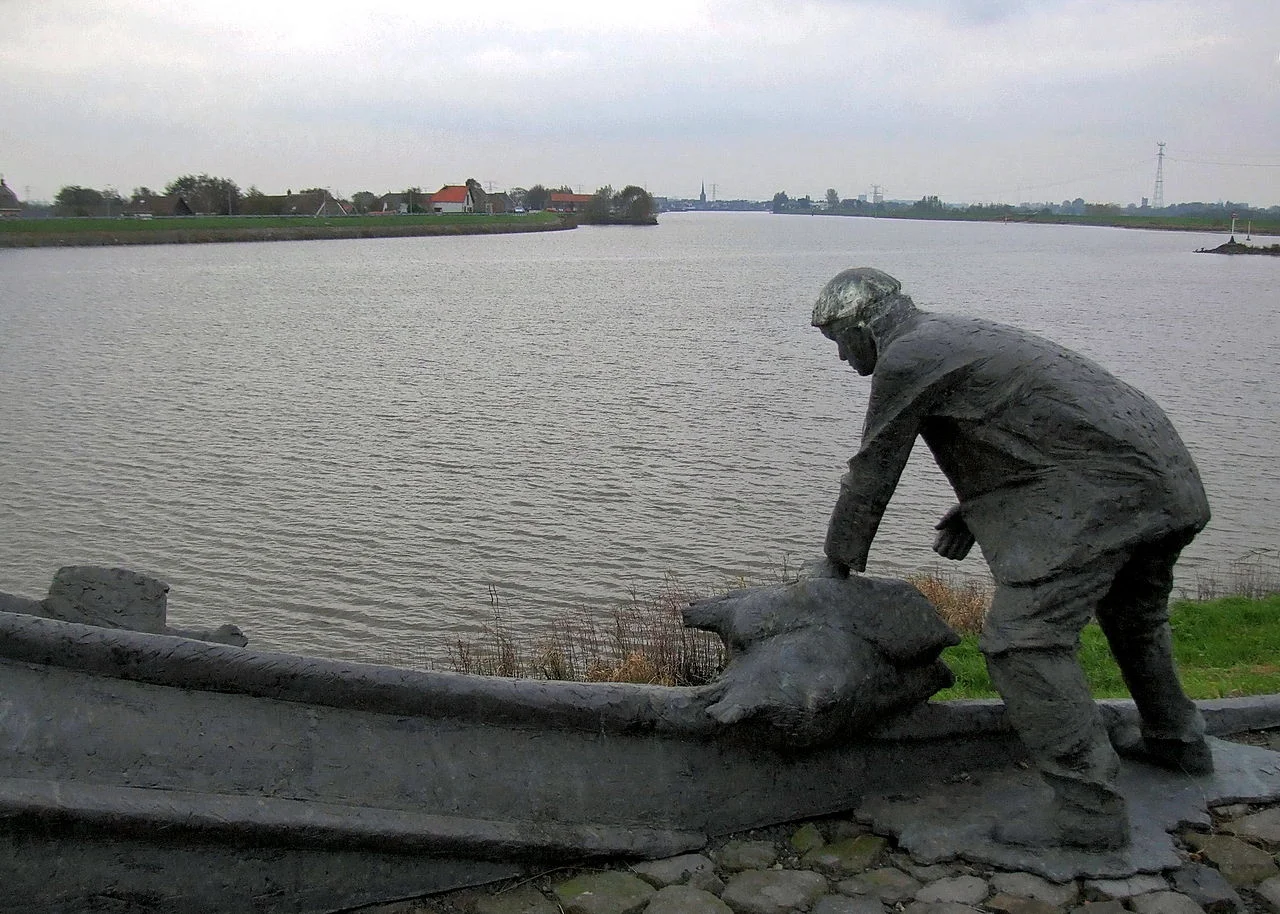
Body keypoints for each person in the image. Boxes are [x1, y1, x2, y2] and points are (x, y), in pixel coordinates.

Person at [812, 267, 1213, 850]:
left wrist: (835, 563)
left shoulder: (906, 358)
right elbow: (1030, 430)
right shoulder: (953, 333)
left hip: (1113, 496)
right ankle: (1177, 740)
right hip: (1167, 483)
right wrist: (974, 510)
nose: (843, 360)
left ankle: (1089, 809)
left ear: (859, 326)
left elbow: (874, 468)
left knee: (1023, 640)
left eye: (838, 344)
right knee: (1132, 612)